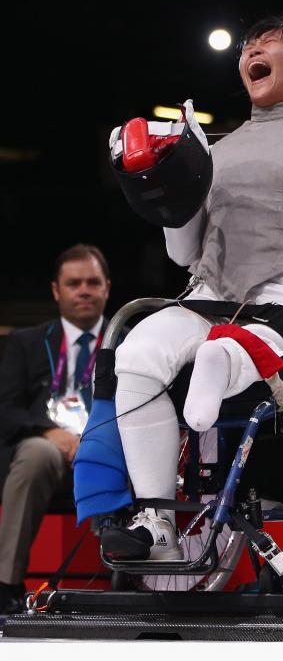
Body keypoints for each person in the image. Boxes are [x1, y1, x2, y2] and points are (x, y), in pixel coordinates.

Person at [95, 17, 283, 560]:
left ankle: (225, 357)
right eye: (247, 47)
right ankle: (156, 524)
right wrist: (167, 185)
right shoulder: (215, 148)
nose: (253, 51)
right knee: (136, 353)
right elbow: (182, 253)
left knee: (227, 346)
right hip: (210, 293)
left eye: (269, 44)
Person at [0, 245, 111, 613]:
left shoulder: (128, 344)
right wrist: (51, 433)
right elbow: (5, 409)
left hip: (108, 450)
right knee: (35, 452)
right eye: (73, 283)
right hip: (45, 455)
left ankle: (134, 582)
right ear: (56, 291)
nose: (83, 290)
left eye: (92, 282)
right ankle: (6, 586)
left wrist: (95, 440)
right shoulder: (26, 343)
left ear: (106, 289)